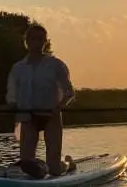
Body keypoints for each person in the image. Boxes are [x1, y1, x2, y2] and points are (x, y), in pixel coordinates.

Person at [5, 23, 75, 177]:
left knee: (54, 169)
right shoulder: (18, 68)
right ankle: (35, 174)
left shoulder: (56, 65)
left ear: (45, 42)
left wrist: (59, 106)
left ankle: (68, 164)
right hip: (28, 118)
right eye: (33, 39)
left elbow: (69, 92)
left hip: (51, 116)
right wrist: (11, 106)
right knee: (26, 165)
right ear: (26, 42)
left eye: (41, 39)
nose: (37, 43)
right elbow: (12, 95)